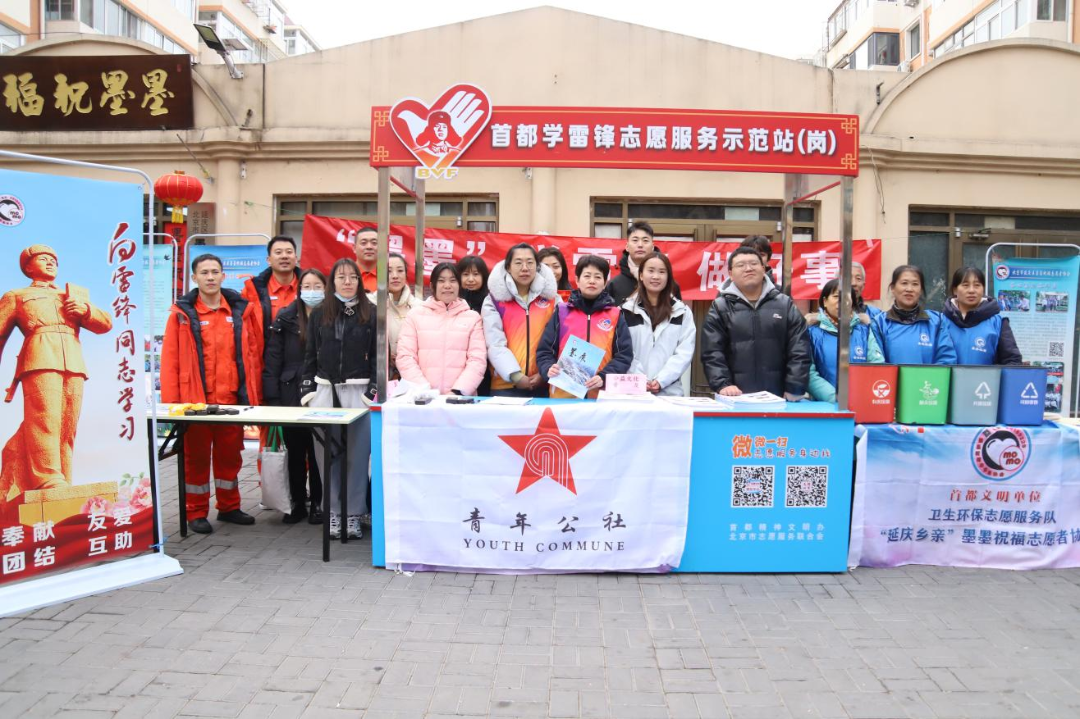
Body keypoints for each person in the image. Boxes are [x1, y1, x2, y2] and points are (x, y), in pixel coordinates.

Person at [0, 245, 113, 512]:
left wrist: (85, 310)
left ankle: (62, 477)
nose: (51, 263)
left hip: (73, 361)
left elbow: (105, 324)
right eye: (43, 259)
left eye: (54, 260)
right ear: (28, 267)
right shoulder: (17, 296)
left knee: (66, 424)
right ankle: (47, 479)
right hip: (39, 357)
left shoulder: (71, 295)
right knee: (44, 420)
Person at [161, 254, 260, 534]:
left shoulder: (239, 312)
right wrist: (172, 405)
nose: (210, 277)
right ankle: (195, 511)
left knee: (231, 457)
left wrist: (252, 396)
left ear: (223, 276)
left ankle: (229, 507)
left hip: (231, 401)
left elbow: (252, 355)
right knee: (196, 458)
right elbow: (170, 361)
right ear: (194, 278)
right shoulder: (181, 315)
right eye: (204, 272)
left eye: (215, 272)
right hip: (196, 402)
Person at [300, 258, 376, 540]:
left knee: (357, 457)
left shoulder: (372, 313)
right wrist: (308, 393)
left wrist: (371, 392)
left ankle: (353, 514)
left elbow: (379, 358)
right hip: (324, 393)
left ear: (359, 280)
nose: (347, 282)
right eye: (341, 277)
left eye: (353, 277)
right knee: (327, 456)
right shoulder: (320, 313)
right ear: (332, 281)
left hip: (359, 393)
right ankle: (333, 512)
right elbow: (310, 355)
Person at [262, 269, 327, 525]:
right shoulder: (286, 317)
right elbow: (273, 359)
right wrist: (272, 398)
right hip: (290, 393)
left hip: (322, 392)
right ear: (299, 290)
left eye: (317, 286)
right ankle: (297, 502)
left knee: (319, 451)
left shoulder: (332, 316)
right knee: (296, 452)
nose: (312, 291)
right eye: (307, 286)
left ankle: (319, 503)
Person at [701, 247, 810, 399]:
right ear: (731, 274)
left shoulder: (784, 304)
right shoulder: (720, 307)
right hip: (734, 397)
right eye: (741, 265)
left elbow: (800, 347)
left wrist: (795, 386)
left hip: (780, 397)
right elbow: (712, 352)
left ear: (763, 269)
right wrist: (723, 384)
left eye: (753, 263)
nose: (748, 268)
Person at [537, 254, 633, 399]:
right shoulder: (562, 312)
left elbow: (624, 355)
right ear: (577, 280)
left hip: (601, 396)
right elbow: (545, 351)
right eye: (587, 276)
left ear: (605, 282)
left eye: (598, 277)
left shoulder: (615, 315)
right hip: (563, 396)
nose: (592, 281)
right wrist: (548, 368)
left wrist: (604, 377)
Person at [396, 263, 487, 395]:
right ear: (432, 286)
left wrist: (458, 392)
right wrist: (424, 391)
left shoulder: (473, 318)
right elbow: (405, 357)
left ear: (459, 285)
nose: (447, 286)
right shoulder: (415, 315)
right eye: (441, 281)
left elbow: (477, 360)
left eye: (453, 280)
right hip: (422, 398)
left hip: (459, 399)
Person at [482, 244, 559, 397]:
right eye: (518, 263)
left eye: (530, 262)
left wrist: (544, 373)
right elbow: (495, 343)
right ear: (508, 267)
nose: (525, 268)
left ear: (537, 266)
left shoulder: (552, 300)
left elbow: (559, 340)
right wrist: (515, 375)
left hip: (545, 383)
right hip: (504, 385)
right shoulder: (494, 300)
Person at [622, 252, 696, 396]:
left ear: (668, 277)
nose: (656, 276)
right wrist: (640, 380)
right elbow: (624, 351)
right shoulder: (625, 311)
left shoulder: (682, 312)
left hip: (670, 393)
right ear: (641, 275)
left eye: (662, 272)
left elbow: (684, 352)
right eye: (650, 271)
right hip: (633, 392)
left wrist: (662, 380)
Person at [242, 236, 302, 404]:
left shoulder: (311, 286)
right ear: (268, 259)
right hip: (265, 362)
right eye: (278, 252)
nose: (284, 256)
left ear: (296, 258)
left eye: (289, 252)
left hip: (300, 362)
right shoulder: (253, 289)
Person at [807, 279, 885, 403]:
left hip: (861, 402)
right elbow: (809, 373)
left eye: (847, 297)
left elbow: (877, 366)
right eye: (836, 296)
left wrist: (860, 396)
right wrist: (836, 398)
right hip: (824, 405)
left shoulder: (864, 331)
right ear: (825, 301)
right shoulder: (811, 332)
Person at [872, 265, 957, 366]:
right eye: (904, 283)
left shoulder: (937, 321)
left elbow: (946, 359)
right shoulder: (879, 323)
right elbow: (877, 364)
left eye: (915, 284)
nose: (909, 289)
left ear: (921, 290)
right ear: (893, 288)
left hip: (929, 377)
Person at [942, 267, 1022, 365]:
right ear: (955, 290)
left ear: (983, 289)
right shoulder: (940, 321)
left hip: (987, 376)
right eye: (965, 285)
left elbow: (1012, 360)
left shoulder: (998, 323)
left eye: (977, 285)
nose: (971, 290)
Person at [606, 221, 681, 305]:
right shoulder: (614, 285)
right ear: (627, 247)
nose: (640, 245)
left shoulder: (670, 284)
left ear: (652, 247)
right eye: (635, 240)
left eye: (645, 240)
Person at [457, 255, 491, 395]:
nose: (470, 279)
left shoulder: (490, 302)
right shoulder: (453, 300)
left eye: (476, 274)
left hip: (484, 362)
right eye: (465, 274)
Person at [386, 253, 421, 379]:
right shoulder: (372, 304)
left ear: (406, 274)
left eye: (400, 270)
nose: (395, 276)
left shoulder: (419, 307)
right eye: (389, 271)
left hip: (413, 373)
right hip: (381, 373)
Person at [354, 227, 379, 294]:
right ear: (354, 248)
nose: (369, 247)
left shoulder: (389, 276)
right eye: (363, 243)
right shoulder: (343, 275)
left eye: (374, 243)